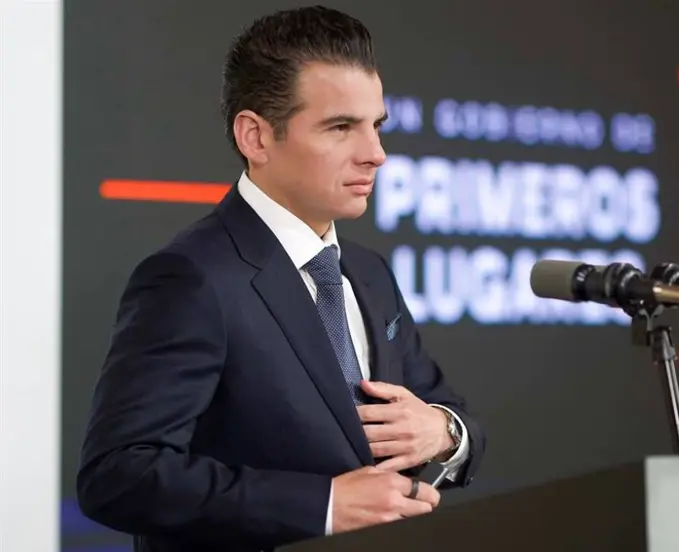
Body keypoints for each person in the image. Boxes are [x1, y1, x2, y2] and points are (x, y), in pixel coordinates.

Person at [75, 6, 485, 551]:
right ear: (256, 137)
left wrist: (444, 432)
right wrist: (324, 505)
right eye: (341, 127)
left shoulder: (369, 272)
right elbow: (119, 474)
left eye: (377, 126)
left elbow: (448, 410)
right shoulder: (190, 277)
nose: (376, 154)